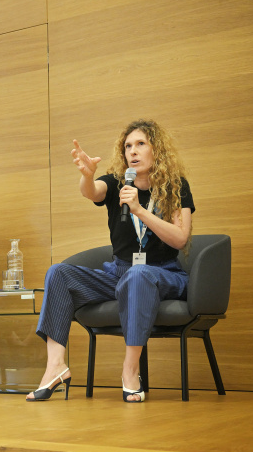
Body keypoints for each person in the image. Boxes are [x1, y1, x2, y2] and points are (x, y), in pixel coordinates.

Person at [27, 119, 194, 403]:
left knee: (138, 276)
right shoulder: (118, 182)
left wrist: (139, 210)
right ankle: (55, 366)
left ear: (157, 149)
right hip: (119, 272)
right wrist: (87, 175)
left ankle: (130, 370)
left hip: (162, 273)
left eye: (140, 144)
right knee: (59, 273)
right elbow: (91, 192)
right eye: (128, 146)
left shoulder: (176, 186)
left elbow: (180, 238)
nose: (133, 151)